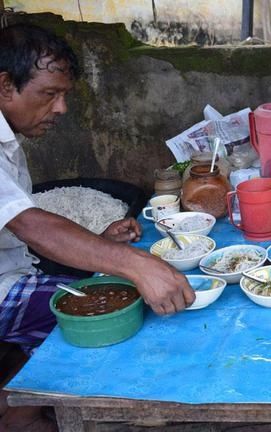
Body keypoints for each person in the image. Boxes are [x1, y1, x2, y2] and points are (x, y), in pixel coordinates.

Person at [0, 23, 195, 431]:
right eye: (50, 94)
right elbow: (30, 223)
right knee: (123, 311)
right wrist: (138, 266)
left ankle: (22, 411)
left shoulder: (8, 137)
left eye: (64, 95)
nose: (61, 109)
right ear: (5, 86)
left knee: (104, 285)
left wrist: (97, 245)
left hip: (17, 272)